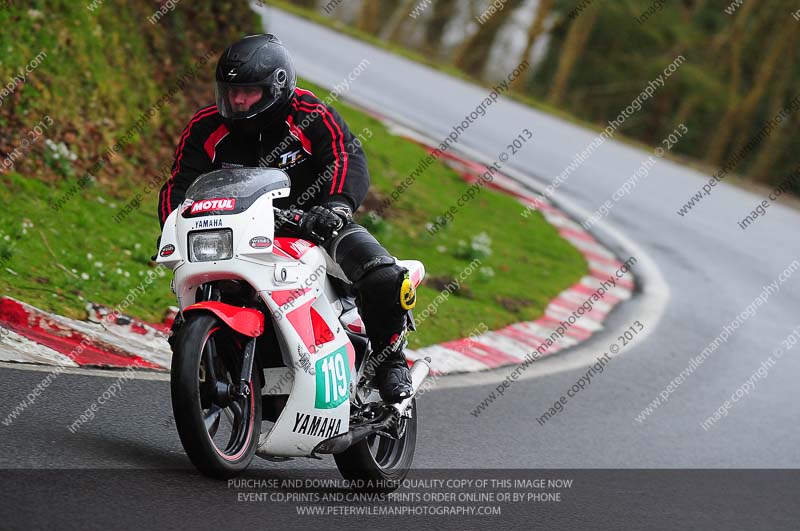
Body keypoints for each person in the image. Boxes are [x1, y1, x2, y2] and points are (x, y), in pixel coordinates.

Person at [157, 34, 416, 403]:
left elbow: (345, 156)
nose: (237, 100)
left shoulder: (311, 114)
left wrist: (337, 207)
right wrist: (173, 226)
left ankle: (390, 361)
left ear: (277, 88)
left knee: (384, 274)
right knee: (188, 311)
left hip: (315, 226)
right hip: (236, 231)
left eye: (249, 91)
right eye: (231, 91)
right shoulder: (204, 127)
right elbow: (180, 183)